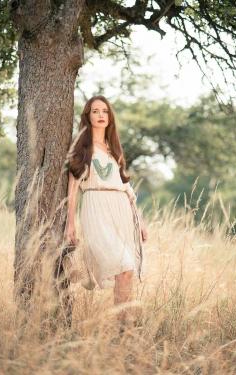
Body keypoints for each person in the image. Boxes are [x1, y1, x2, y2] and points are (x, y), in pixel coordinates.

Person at [64, 95, 148, 322]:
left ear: (109, 117)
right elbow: (72, 188)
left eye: (105, 111)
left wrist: (140, 220)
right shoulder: (82, 147)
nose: (101, 115)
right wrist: (70, 224)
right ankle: (124, 327)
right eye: (95, 111)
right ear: (88, 117)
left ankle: (124, 330)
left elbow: (126, 187)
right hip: (96, 209)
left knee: (127, 272)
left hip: (122, 211)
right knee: (124, 265)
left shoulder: (114, 148)